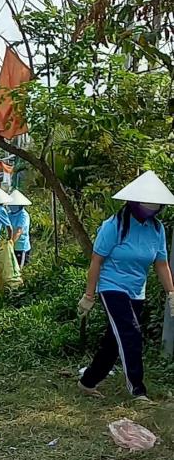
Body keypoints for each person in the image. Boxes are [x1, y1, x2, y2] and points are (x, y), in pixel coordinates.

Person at [78, 171, 174, 401]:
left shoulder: (157, 229)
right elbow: (96, 260)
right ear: (134, 202)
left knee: (114, 341)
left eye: (155, 206)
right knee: (131, 335)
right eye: (147, 205)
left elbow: (161, 264)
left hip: (136, 291)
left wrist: (171, 292)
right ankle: (138, 391)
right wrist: (89, 296)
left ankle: (88, 381)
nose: (151, 210)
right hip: (112, 287)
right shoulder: (114, 226)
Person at [6, 188, 32, 267]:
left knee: (19, 269)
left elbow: (19, 231)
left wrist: (11, 243)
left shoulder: (23, 215)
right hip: (12, 247)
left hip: (21, 247)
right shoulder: (9, 214)